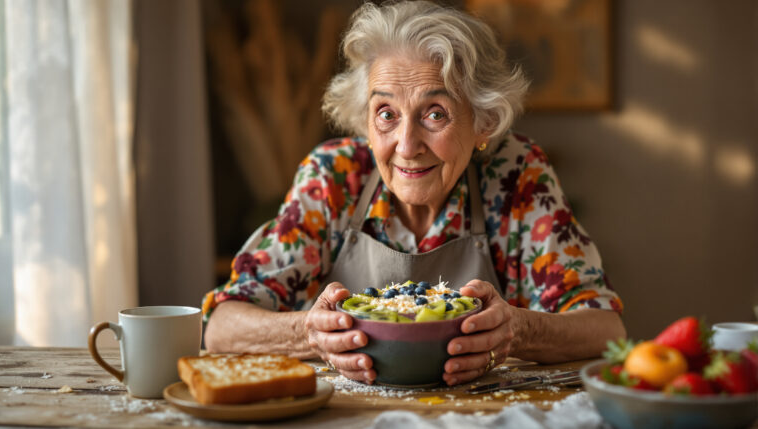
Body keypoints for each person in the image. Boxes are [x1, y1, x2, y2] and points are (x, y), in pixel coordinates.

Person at [203, 0, 626, 386]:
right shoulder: (334, 177)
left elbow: (605, 329)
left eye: (435, 113)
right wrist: (309, 334)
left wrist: (517, 330)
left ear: (483, 121)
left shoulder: (516, 175)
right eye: (386, 113)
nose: (406, 146)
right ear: (364, 119)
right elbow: (222, 326)